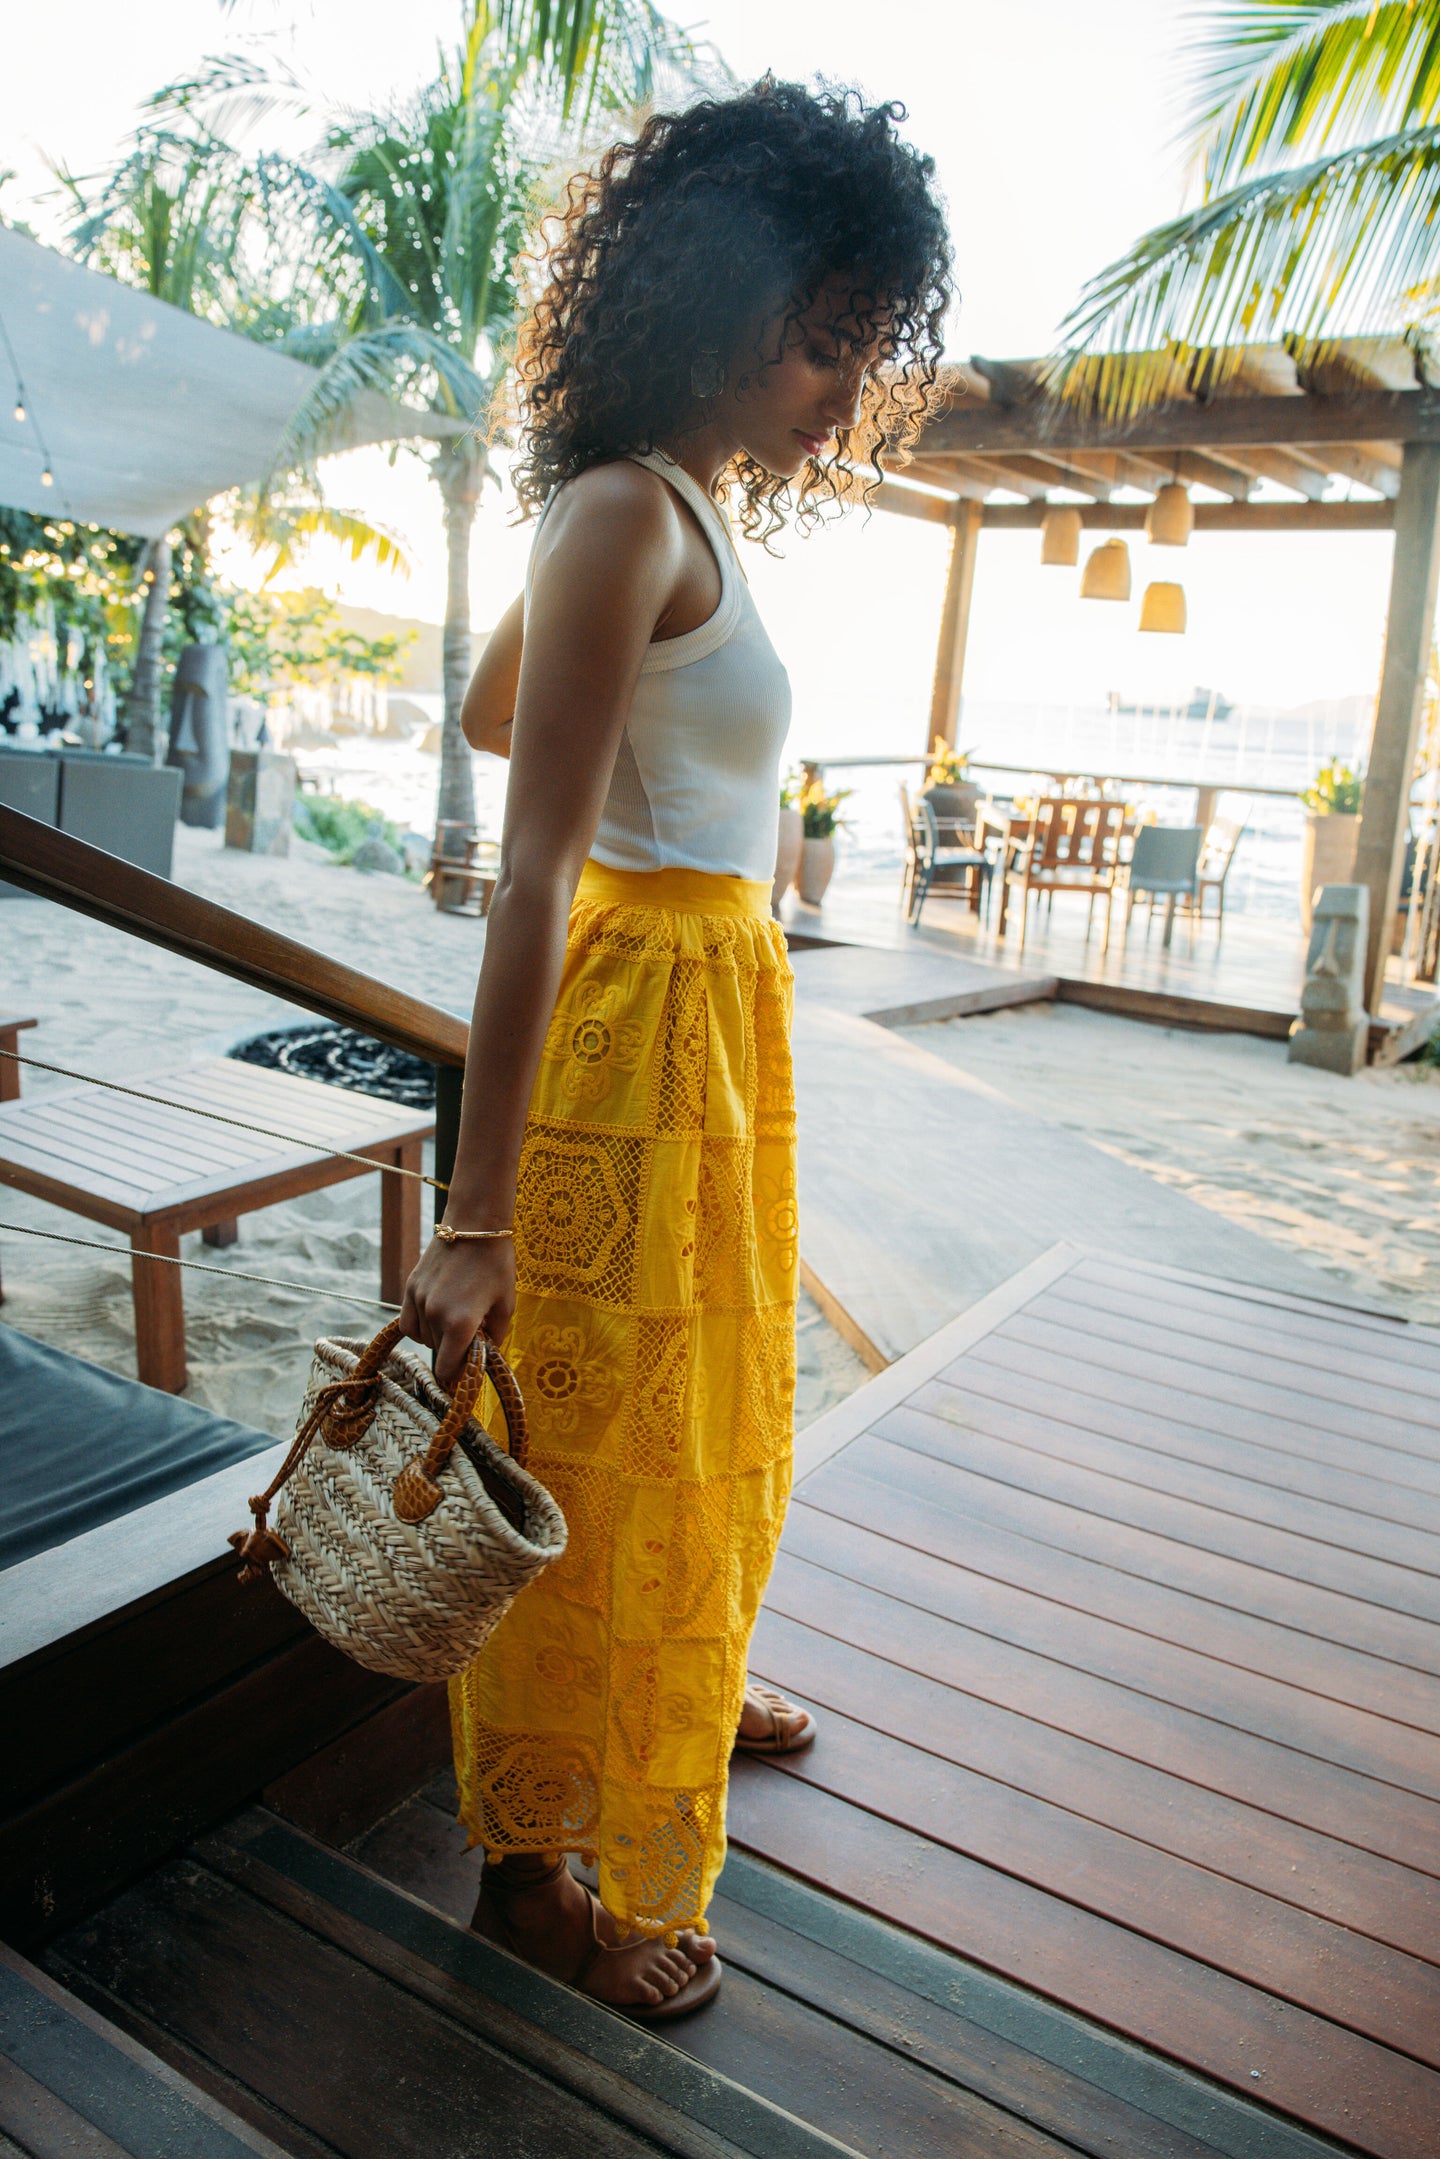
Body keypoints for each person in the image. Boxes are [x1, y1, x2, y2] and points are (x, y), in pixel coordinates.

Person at [400, 76, 951, 2019]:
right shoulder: (630, 506)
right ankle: (529, 1872)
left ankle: (678, 1691)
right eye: (820, 341)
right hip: (632, 1031)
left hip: (709, 1025)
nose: (839, 389)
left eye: (860, 348)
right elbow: (531, 872)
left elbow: (501, 706)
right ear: (720, 303)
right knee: (590, 1428)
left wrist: (574, 589)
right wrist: (475, 1220)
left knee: (698, 1404)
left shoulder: (654, 508)